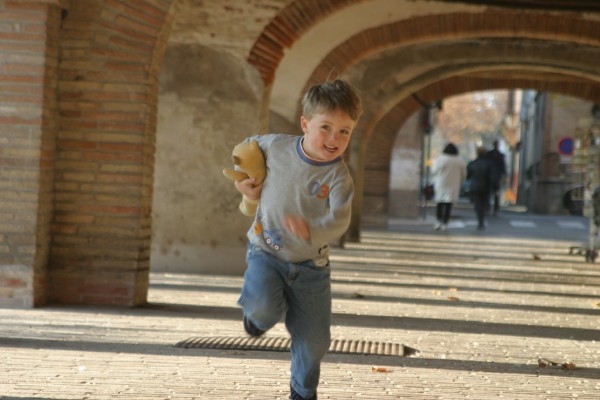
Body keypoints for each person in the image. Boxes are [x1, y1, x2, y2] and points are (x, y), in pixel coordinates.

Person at [233, 79, 362, 400]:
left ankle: (303, 392)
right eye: (326, 127)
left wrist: (312, 229)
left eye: (344, 131)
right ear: (305, 124)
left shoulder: (339, 176)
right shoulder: (275, 146)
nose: (334, 139)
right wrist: (246, 184)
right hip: (266, 252)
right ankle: (256, 318)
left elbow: (340, 219)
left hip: (312, 268)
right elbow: (246, 149)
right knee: (264, 309)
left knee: (315, 340)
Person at [431, 143, 466, 231]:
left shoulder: (440, 158)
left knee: (439, 203)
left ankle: (438, 221)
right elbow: (464, 174)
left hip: (441, 183)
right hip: (453, 184)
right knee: (448, 204)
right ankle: (445, 223)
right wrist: (461, 182)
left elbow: (434, 170)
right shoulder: (459, 160)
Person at [467, 146, 494, 230]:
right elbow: (492, 177)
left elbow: (468, 176)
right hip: (486, 187)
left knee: (477, 204)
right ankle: (482, 220)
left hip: (475, 187)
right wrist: (495, 187)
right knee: (484, 203)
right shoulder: (489, 164)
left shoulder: (472, 163)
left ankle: (480, 221)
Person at [486, 139, 507, 215]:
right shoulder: (500, 155)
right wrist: (504, 175)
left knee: (490, 193)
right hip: (496, 177)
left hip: (490, 177)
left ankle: (489, 208)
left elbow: (503, 166)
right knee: (496, 193)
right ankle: (495, 209)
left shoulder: (489, 154)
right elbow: (503, 167)